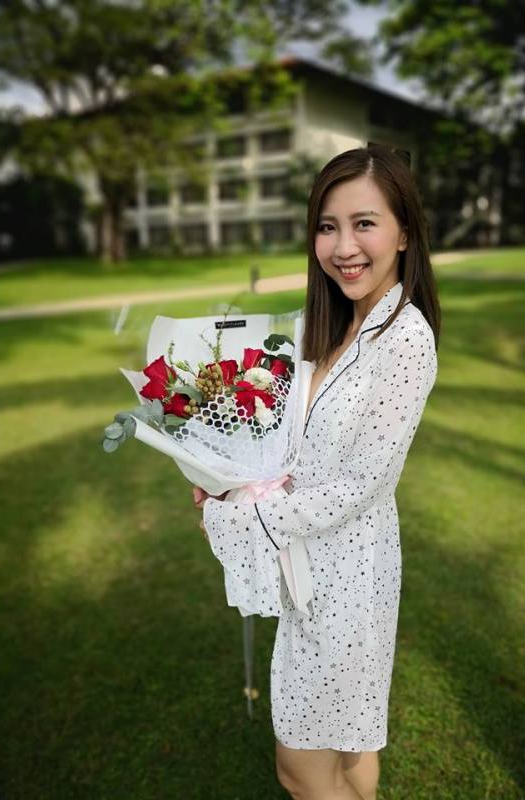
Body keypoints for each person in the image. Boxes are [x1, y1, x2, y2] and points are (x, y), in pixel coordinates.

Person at [192, 143, 440, 800]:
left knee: (300, 769)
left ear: (404, 233)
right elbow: (285, 443)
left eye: (365, 223)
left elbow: (362, 484)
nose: (344, 247)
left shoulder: (406, 339)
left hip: (351, 577)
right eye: (328, 226)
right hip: (311, 565)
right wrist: (228, 476)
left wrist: (243, 517)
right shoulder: (325, 326)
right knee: (351, 747)